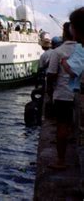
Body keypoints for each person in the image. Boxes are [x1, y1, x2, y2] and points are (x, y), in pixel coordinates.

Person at [46, 22, 77, 170]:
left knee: (62, 126)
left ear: (64, 34)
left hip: (63, 94)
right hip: (78, 94)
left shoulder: (57, 52)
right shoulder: (81, 50)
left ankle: (61, 160)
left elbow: (51, 74)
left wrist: (50, 91)